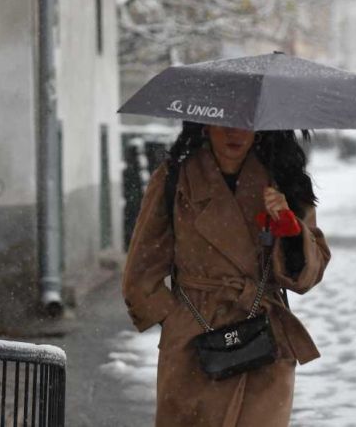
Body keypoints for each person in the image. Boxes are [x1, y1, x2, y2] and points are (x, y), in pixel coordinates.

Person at [122, 121, 331, 427]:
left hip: (263, 342)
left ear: (259, 128)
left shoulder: (282, 180)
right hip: (195, 345)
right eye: (224, 122)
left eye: (245, 122)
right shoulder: (176, 179)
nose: (235, 132)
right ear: (204, 125)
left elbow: (307, 276)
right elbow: (142, 267)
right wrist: (176, 322)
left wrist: (290, 229)